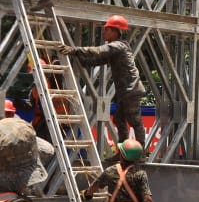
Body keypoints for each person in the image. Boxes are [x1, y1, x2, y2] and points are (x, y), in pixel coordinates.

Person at [62, 14, 146, 145]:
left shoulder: (118, 46)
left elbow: (98, 51)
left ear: (115, 31)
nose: (103, 32)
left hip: (131, 90)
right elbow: (98, 59)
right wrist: (81, 59)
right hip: (126, 91)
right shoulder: (115, 50)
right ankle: (123, 152)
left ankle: (139, 153)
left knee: (134, 120)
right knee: (119, 119)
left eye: (106, 29)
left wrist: (75, 50)